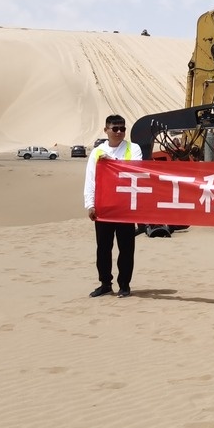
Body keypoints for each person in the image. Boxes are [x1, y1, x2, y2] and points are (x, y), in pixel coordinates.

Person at [84, 114, 143, 298]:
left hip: (125, 207)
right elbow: (90, 179)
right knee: (103, 248)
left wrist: (110, 163)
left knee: (126, 248)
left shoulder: (133, 148)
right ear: (106, 130)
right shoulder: (97, 152)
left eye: (122, 129)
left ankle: (124, 285)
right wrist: (90, 204)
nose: (119, 132)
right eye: (115, 129)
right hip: (104, 207)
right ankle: (105, 284)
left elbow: (135, 169)